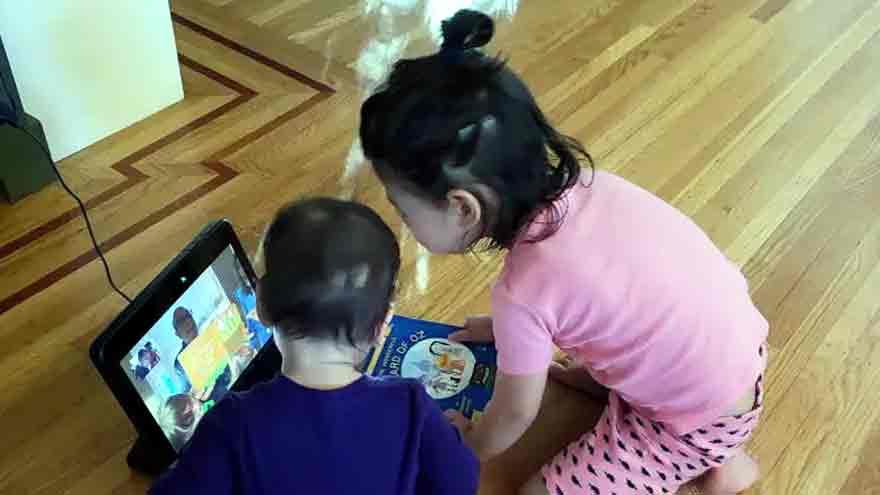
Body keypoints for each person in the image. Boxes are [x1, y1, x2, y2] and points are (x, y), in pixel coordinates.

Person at [359, 9, 768, 495]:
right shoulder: (596, 185)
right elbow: (612, 295)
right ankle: (718, 451)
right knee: (578, 371)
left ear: (463, 207)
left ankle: (717, 464)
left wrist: (467, 445)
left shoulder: (523, 292)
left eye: (405, 212)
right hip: (741, 358)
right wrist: (508, 333)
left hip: (688, 423)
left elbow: (515, 412)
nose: (404, 224)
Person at [150, 198, 480, 495]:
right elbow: (461, 482)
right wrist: (454, 440)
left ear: (261, 304)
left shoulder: (230, 425)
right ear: (382, 326)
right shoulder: (412, 406)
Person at [172, 307, 233, 403]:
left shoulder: (210, 338)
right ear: (177, 334)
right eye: (181, 321)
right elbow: (188, 396)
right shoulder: (179, 363)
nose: (188, 321)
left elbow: (227, 372)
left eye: (188, 315)